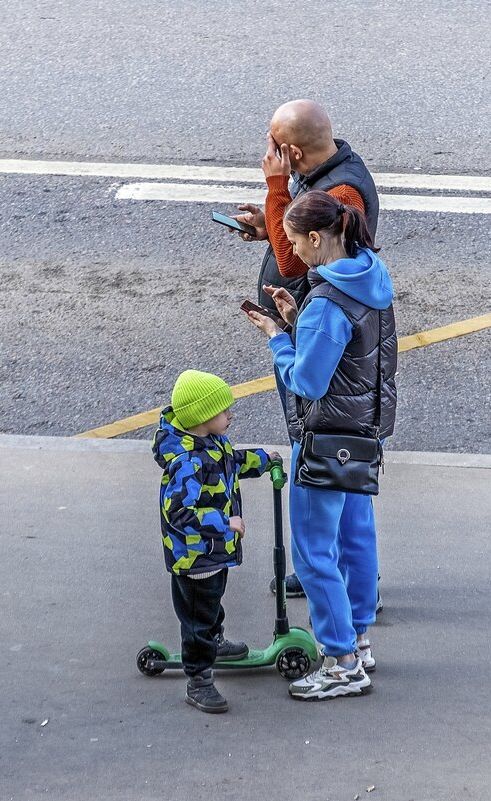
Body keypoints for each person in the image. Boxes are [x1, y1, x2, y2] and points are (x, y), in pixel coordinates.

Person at [244, 190, 397, 701]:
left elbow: (307, 381)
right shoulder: (371, 278)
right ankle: (358, 636)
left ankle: (341, 662)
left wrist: (277, 335)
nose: (291, 253)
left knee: (313, 554)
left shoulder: (325, 303)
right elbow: (353, 356)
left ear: (316, 238)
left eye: (292, 241)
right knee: (356, 539)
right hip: (363, 432)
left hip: (325, 438)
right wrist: (297, 320)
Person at [232, 99, 382, 603]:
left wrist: (282, 336)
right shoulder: (326, 172)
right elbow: (293, 243)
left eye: (276, 148)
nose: (272, 155)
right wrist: (268, 223)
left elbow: (292, 265)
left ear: (292, 150)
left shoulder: (342, 189)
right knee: (349, 484)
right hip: (322, 347)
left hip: (323, 363)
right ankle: (353, 593)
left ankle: (336, 591)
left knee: (326, 464)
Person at [151, 369, 279, 713]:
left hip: (211, 554)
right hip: (194, 558)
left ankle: (216, 641)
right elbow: (178, 513)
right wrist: (225, 523)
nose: (230, 415)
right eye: (224, 411)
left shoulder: (210, 444)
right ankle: (199, 678)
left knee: (209, 604)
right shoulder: (187, 462)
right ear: (203, 417)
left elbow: (231, 462)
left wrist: (264, 460)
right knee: (197, 619)